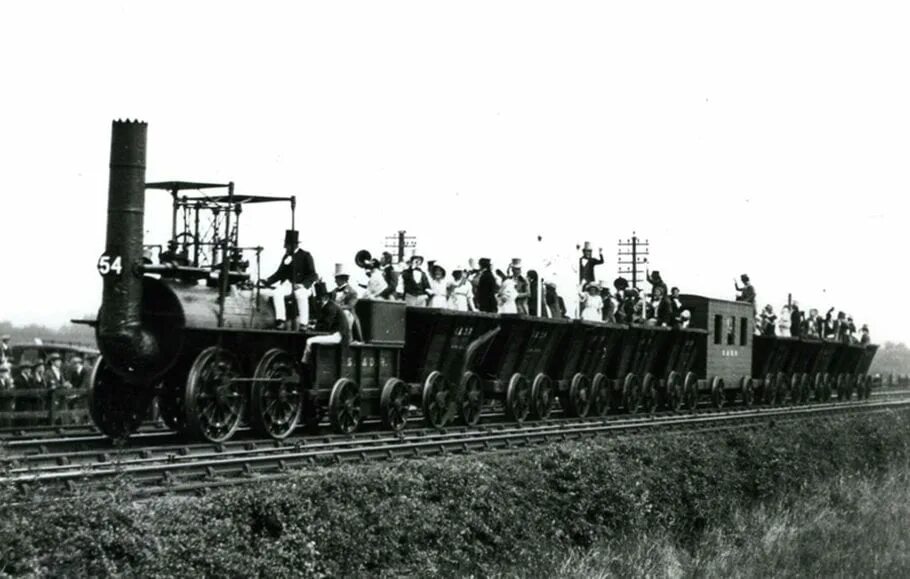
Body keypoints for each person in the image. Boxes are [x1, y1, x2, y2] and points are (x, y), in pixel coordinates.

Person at [262, 229, 318, 330]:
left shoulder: (306, 255)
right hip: (288, 285)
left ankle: (303, 323)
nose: (285, 248)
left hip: (302, 285)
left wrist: (303, 285)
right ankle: (281, 320)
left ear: (293, 245)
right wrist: (267, 280)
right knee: (277, 292)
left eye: (287, 245)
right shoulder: (286, 256)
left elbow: (313, 275)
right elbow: (279, 273)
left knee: (301, 295)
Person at [302, 282, 352, 364]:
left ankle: (305, 364)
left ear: (325, 298)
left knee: (309, 341)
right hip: (336, 334)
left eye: (319, 298)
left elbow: (326, 326)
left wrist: (312, 328)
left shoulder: (330, 307)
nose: (318, 301)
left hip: (338, 336)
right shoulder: (330, 306)